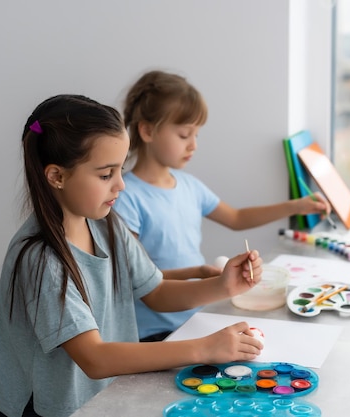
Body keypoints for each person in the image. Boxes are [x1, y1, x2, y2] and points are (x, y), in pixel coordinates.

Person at [0, 94, 263, 417]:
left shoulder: (107, 224)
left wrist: (225, 285)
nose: (120, 185)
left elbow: (156, 291)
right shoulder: (40, 260)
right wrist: (204, 348)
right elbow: (94, 358)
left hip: (103, 399)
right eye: (106, 175)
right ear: (57, 176)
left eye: (121, 170)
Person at [115, 70, 329, 342]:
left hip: (198, 318)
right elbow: (138, 281)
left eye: (196, 134)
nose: (193, 144)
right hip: (154, 335)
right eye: (184, 135)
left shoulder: (189, 185)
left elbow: (237, 218)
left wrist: (295, 206)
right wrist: (206, 278)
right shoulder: (126, 197)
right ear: (146, 130)